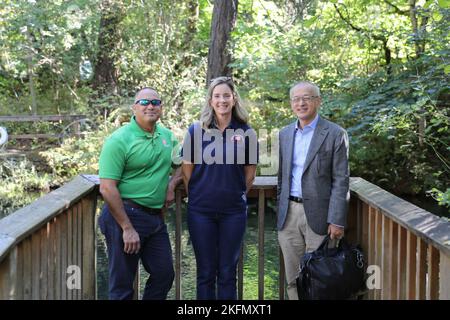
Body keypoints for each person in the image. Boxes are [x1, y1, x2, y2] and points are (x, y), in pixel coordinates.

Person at [98, 87, 182, 300]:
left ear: (161, 108)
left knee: (164, 274)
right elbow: (107, 187)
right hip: (123, 216)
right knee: (122, 284)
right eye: (144, 102)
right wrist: (127, 228)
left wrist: (172, 184)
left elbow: (184, 163)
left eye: (155, 102)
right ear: (134, 108)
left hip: (155, 218)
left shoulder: (167, 137)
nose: (150, 106)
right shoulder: (119, 140)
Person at [181, 76, 258, 300]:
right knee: (205, 273)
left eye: (226, 95)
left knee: (227, 273)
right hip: (200, 211)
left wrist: (232, 193)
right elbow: (187, 172)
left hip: (233, 212)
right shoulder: (196, 130)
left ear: (234, 99)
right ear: (210, 100)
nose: (222, 100)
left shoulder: (247, 132)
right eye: (217, 96)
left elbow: (249, 175)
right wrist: (198, 194)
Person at [277, 81, 350, 300]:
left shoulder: (336, 133)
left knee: (319, 279)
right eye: (296, 99)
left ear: (318, 101)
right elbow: (282, 177)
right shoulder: (285, 133)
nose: (301, 103)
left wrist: (337, 220)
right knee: (292, 278)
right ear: (291, 104)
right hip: (288, 214)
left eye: (306, 98)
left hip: (320, 216)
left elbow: (341, 180)